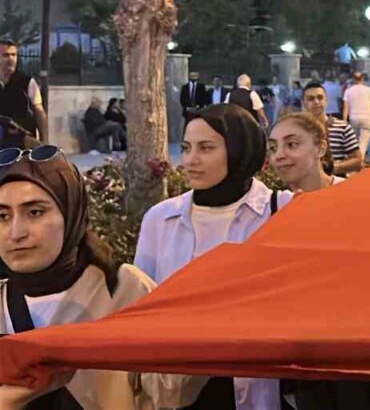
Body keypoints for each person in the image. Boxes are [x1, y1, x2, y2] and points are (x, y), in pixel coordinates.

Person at [0, 146, 205, 408]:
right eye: (3, 216)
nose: (15, 232)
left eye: (35, 212)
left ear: (71, 212)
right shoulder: (3, 299)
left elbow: (169, 391)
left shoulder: (121, 289)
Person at [135, 104, 291, 409]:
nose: (191, 160)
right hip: (178, 379)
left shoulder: (281, 212)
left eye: (206, 148)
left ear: (238, 150)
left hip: (252, 375)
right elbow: (143, 304)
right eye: (186, 148)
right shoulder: (161, 218)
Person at [268, 112, 343, 193]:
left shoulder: (350, 191)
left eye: (291, 144)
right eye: (273, 148)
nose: (278, 155)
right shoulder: (275, 203)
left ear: (320, 149)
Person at [301, 81, 361, 178]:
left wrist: (331, 168)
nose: (316, 102)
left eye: (320, 98)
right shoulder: (298, 130)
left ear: (326, 100)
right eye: (311, 99)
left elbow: (357, 161)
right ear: (303, 103)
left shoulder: (342, 127)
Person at [0, 38, 47, 148]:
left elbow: (39, 113)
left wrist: (44, 142)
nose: (11, 59)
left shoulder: (27, 83)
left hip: (22, 141)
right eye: (6, 55)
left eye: (14, 55)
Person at [343, 72, 370, 158]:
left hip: (353, 118)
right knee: (364, 141)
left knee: (355, 141)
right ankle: (361, 158)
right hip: (367, 118)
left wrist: (344, 120)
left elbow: (345, 107)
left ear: (353, 79)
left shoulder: (348, 91)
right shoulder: (369, 90)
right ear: (362, 79)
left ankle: (358, 158)